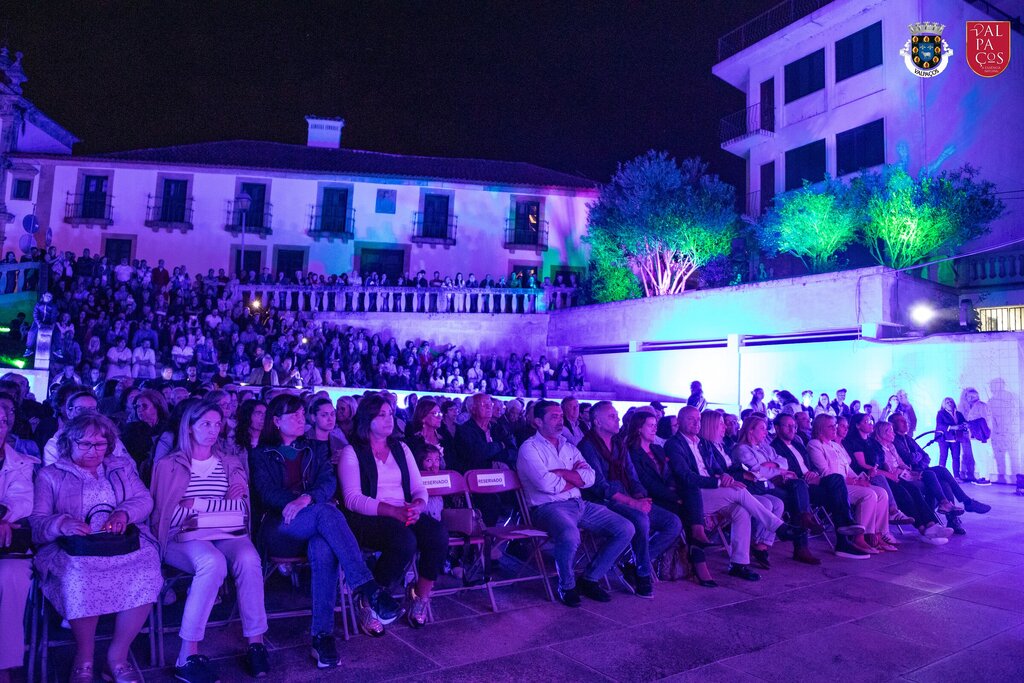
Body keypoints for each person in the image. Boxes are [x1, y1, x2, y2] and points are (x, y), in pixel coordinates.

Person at [249, 394, 401, 667]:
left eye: (301, 414)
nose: (301, 419)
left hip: (314, 522)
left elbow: (328, 482)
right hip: (279, 526)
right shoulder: (262, 453)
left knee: (323, 546)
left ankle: (322, 637)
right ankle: (368, 588)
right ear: (276, 421)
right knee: (326, 512)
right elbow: (265, 492)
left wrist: (306, 498)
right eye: (294, 415)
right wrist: (296, 502)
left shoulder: (313, 448)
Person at [30, 413, 162, 683]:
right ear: (69, 443)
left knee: (147, 571)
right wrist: (61, 523)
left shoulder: (121, 468)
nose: (93, 451)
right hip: (72, 549)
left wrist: (124, 513)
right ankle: (84, 656)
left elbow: (144, 499)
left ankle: (117, 657)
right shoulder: (50, 475)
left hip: (121, 543)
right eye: (85, 444)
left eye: (100, 444)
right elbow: (37, 523)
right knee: (79, 576)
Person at [150, 401, 270, 681]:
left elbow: (240, 509)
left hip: (225, 532)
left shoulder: (229, 462)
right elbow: (166, 515)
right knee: (212, 562)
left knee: (249, 558)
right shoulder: (168, 465)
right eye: (205, 424)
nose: (213, 430)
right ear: (189, 427)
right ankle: (187, 655)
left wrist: (196, 504)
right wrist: (216, 506)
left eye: (217, 424)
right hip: (181, 537)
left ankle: (256, 643)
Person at [339, 394, 448, 629]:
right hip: (369, 516)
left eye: (390, 414)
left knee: (437, 534)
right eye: (381, 415)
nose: (389, 419)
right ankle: (370, 598)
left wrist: (418, 505)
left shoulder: (402, 448)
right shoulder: (352, 452)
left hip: (403, 511)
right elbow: (352, 499)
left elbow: (419, 487)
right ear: (367, 419)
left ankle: (420, 596)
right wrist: (391, 510)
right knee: (404, 540)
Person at [666, 407, 809, 579]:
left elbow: (716, 468)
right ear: (679, 421)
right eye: (691, 419)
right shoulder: (674, 444)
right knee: (739, 491)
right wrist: (719, 481)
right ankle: (778, 526)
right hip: (694, 495)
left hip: (714, 491)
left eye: (698, 419)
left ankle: (739, 564)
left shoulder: (702, 443)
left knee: (741, 511)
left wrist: (724, 476)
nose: (696, 423)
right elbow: (685, 476)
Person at [518, 400, 634, 607]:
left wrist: (561, 473)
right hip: (547, 508)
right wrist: (575, 478)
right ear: (538, 421)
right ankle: (567, 585)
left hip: (579, 503)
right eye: (554, 417)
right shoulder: (529, 449)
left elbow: (590, 477)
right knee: (570, 535)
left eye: (561, 416)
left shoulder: (568, 446)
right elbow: (546, 485)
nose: (560, 421)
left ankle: (590, 578)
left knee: (625, 528)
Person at [578, 401, 682, 598]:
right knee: (640, 519)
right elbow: (599, 486)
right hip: (603, 501)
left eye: (617, 416)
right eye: (612, 416)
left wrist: (641, 497)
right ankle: (643, 575)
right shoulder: (587, 446)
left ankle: (633, 564)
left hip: (626, 497)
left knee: (673, 522)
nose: (618, 419)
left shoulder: (619, 444)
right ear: (597, 422)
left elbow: (633, 477)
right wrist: (632, 503)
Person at [769, 413, 869, 559]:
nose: (792, 429)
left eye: (794, 426)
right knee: (836, 493)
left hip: (813, 481)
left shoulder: (798, 445)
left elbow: (813, 466)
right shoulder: (774, 448)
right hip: (796, 486)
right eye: (788, 426)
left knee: (837, 479)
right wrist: (802, 477)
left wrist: (814, 473)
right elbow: (779, 471)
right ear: (777, 428)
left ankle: (845, 528)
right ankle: (842, 540)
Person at [807, 415, 891, 553]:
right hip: (834, 486)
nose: (835, 428)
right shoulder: (815, 444)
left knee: (881, 493)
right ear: (820, 428)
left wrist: (859, 479)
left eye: (835, 425)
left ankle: (877, 534)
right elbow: (826, 472)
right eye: (830, 426)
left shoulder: (835, 445)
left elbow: (847, 467)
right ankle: (860, 537)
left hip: (848, 481)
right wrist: (852, 481)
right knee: (869, 494)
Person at [866, 421, 953, 545]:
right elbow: (885, 467)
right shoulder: (876, 448)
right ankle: (924, 529)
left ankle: (931, 524)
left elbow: (901, 462)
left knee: (920, 487)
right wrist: (899, 471)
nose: (893, 434)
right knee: (908, 493)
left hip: (902, 475)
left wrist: (908, 471)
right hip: (890, 478)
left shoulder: (891, 446)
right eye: (890, 431)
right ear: (882, 433)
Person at [0, 408, 37, 682]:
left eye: (2, 421)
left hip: (6, 547)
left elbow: (21, 501)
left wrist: (2, 516)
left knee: (11, 577)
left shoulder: (21, 463)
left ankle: (3, 663)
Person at [959, 388, 992, 485]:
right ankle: (982, 477)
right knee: (978, 457)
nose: (966, 398)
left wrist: (970, 424)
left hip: (981, 436)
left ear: (972, 397)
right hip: (975, 436)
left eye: (968, 396)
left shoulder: (981, 405)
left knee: (982, 457)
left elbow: (983, 420)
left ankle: (985, 478)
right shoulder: (974, 406)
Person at [936, 397, 970, 482]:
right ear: (944, 405)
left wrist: (965, 425)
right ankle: (940, 477)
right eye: (947, 402)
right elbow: (940, 425)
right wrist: (952, 427)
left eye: (951, 402)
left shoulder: (958, 414)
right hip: (943, 438)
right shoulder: (941, 413)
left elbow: (963, 422)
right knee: (943, 457)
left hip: (956, 438)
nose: (949, 403)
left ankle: (957, 477)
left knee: (956, 457)